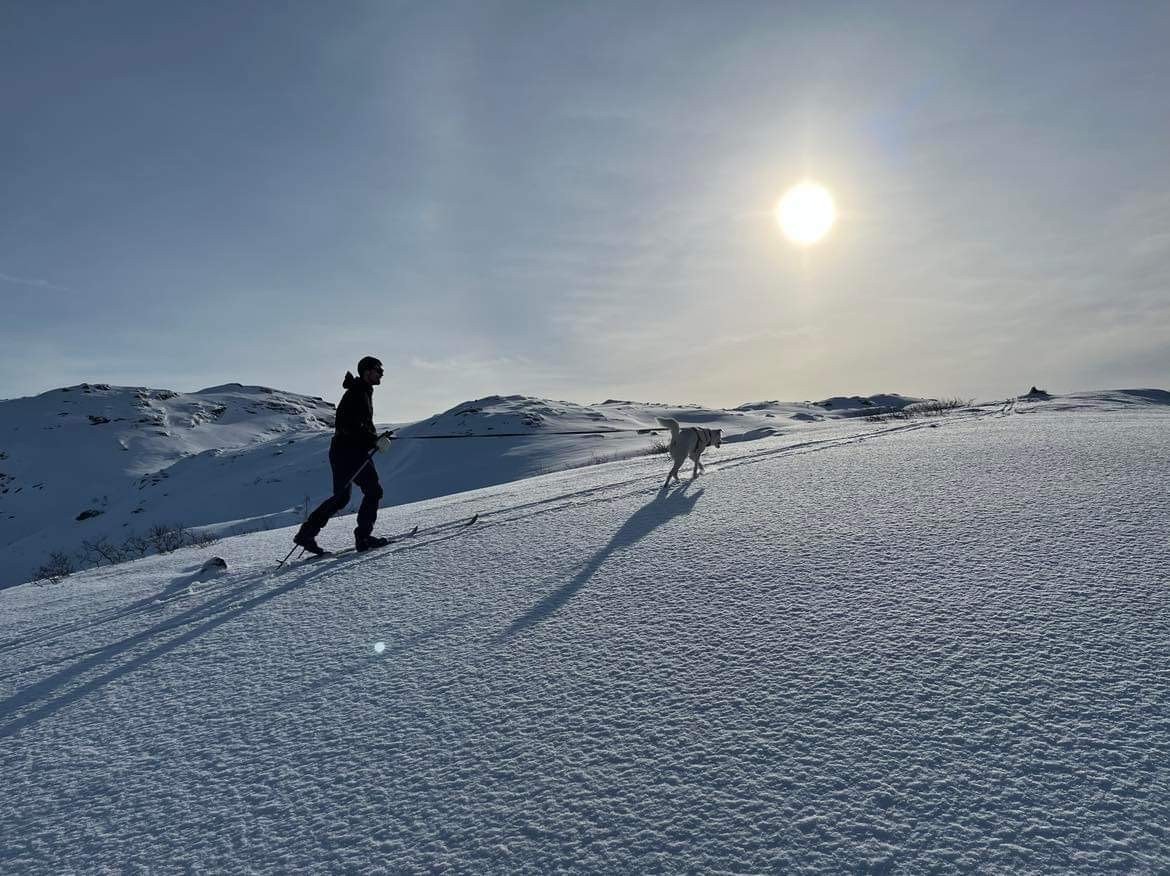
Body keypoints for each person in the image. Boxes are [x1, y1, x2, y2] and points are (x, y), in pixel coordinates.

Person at [294, 356, 393, 554]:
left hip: (341, 451)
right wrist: (373, 440)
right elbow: (352, 427)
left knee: (341, 498)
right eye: (378, 369)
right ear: (367, 371)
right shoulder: (357, 393)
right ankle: (363, 538)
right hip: (351, 451)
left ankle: (306, 534)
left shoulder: (360, 391)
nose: (382, 373)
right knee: (373, 491)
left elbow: (356, 426)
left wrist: (374, 438)